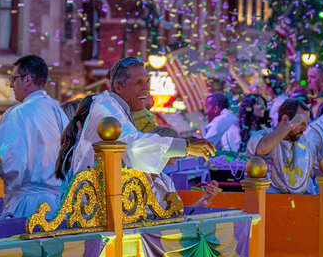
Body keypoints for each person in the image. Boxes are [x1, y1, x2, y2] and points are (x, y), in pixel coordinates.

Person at [70, 56, 215, 180]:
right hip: (93, 202)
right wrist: (186, 146)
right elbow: (132, 145)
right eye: (139, 83)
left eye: (147, 82)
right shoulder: (107, 108)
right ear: (118, 87)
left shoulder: (114, 106)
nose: (146, 89)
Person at [0, 55, 69, 218]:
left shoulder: (18, 113)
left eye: (14, 79)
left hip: (28, 204)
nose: (11, 85)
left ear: (27, 79)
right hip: (58, 205)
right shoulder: (59, 112)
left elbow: (13, 165)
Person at [247, 98, 316, 194]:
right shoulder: (262, 136)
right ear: (285, 119)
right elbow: (261, 149)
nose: (304, 129)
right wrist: (290, 125)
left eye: (306, 124)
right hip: (268, 203)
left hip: (300, 204)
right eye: (300, 123)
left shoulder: (305, 144)